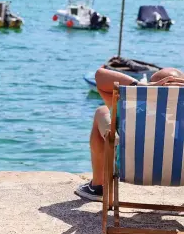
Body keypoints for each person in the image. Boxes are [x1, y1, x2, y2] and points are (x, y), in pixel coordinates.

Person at [75, 66, 184, 201]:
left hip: (132, 171)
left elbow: (100, 75)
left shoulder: (130, 108)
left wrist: (140, 86)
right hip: (179, 174)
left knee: (102, 111)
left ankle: (98, 186)